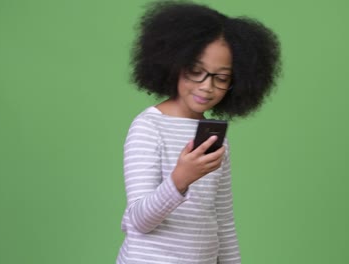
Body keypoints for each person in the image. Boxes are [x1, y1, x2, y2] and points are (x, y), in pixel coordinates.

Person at [117, 1, 281, 263]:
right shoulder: (149, 127)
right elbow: (139, 221)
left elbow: (224, 221)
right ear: (174, 63)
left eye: (222, 77)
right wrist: (180, 179)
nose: (207, 86)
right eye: (196, 71)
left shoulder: (214, 137)